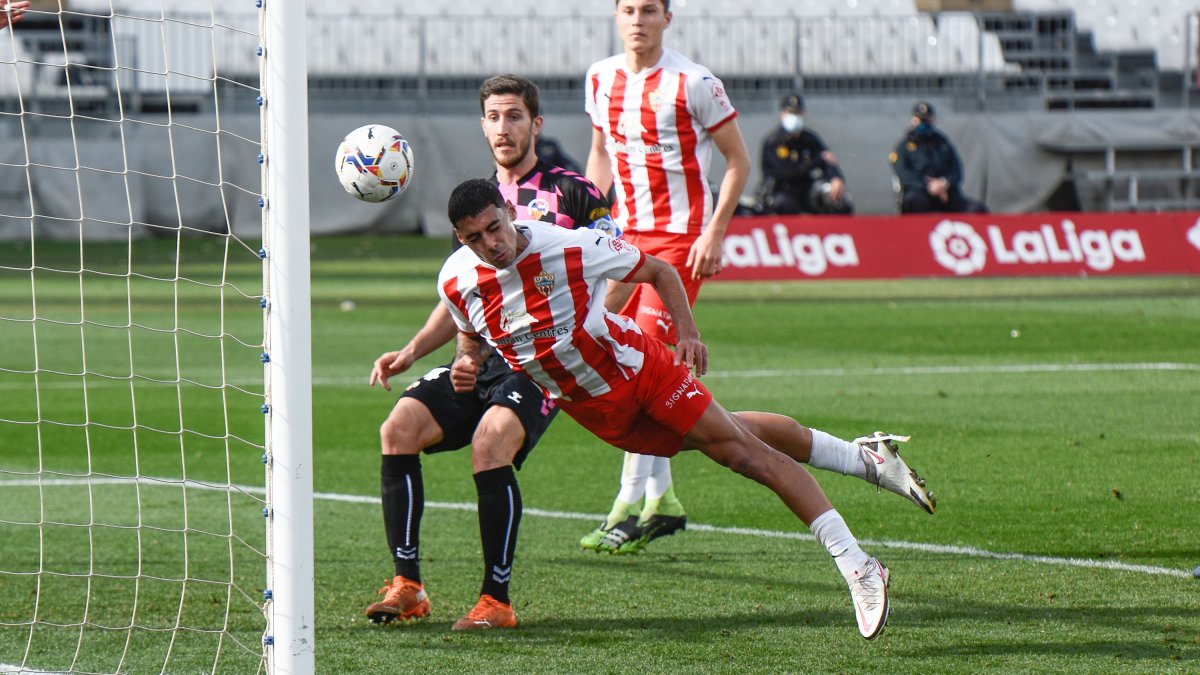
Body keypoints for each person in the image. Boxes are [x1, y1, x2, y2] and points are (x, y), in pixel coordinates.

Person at [439, 179, 937, 640]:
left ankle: (859, 565)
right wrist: (466, 358)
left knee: (742, 455)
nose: (490, 244)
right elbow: (469, 329)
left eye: (494, 227)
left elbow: (659, 269)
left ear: (509, 211)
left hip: (641, 371)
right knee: (731, 434)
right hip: (595, 411)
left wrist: (687, 333)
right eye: (474, 238)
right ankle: (864, 459)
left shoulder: (568, 246)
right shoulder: (456, 280)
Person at [363, 74, 616, 632]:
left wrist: (584, 339)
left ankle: (495, 602)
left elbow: (619, 269)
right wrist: (424, 351)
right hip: (491, 356)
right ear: (483, 126)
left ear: (535, 124)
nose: (504, 128)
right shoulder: (475, 206)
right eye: (495, 118)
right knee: (398, 427)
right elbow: (465, 298)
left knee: (490, 441)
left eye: (515, 116)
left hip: (549, 361)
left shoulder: (575, 193)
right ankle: (407, 586)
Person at [579, 0, 753, 554]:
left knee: (648, 363)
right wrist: (586, 222)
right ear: (616, 15)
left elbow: (738, 161)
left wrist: (715, 233)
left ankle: (627, 506)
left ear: (666, 18)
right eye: (628, 9)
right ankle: (665, 501)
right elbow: (600, 153)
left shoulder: (694, 82)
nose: (637, 19)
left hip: (679, 242)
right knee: (610, 351)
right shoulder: (600, 77)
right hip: (622, 242)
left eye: (648, 9)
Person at [758, 93, 853, 215]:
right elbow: (787, 173)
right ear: (782, 114)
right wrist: (816, 161)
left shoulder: (810, 139)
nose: (794, 116)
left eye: (798, 112)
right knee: (785, 205)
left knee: (839, 204)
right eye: (790, 113)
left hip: (808, 190)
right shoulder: (774, 142)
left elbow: (827, 160)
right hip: (783, 191)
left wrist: (836, 178)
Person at [890, 101, 987, 214]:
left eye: (927, 119)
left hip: (945, 192)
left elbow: (956, 169)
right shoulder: (904, 146)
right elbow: (904, 174)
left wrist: (944, 183)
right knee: (913, 202)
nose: (924, 123)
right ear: (914, 121)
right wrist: (928, 187)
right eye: (921, 120)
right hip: (919, 191)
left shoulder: (942, 143)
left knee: (976, 209)